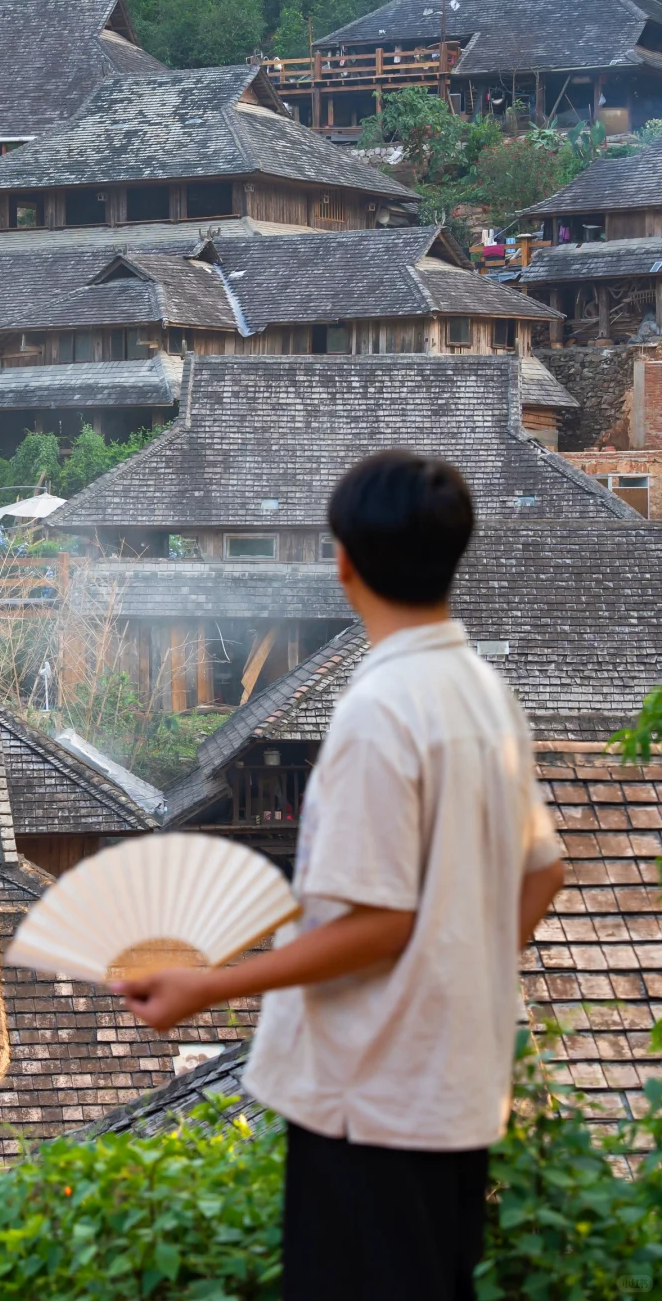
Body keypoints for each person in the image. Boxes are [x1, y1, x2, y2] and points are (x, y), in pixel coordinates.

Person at [113, 450, 565, 1301]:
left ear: (343, 558)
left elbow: (375, 925)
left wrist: (210, 988)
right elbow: (545, 873)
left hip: (373, 1100)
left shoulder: (377, 710)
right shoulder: (484, 692)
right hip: (457, 1088)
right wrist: (460, 977)